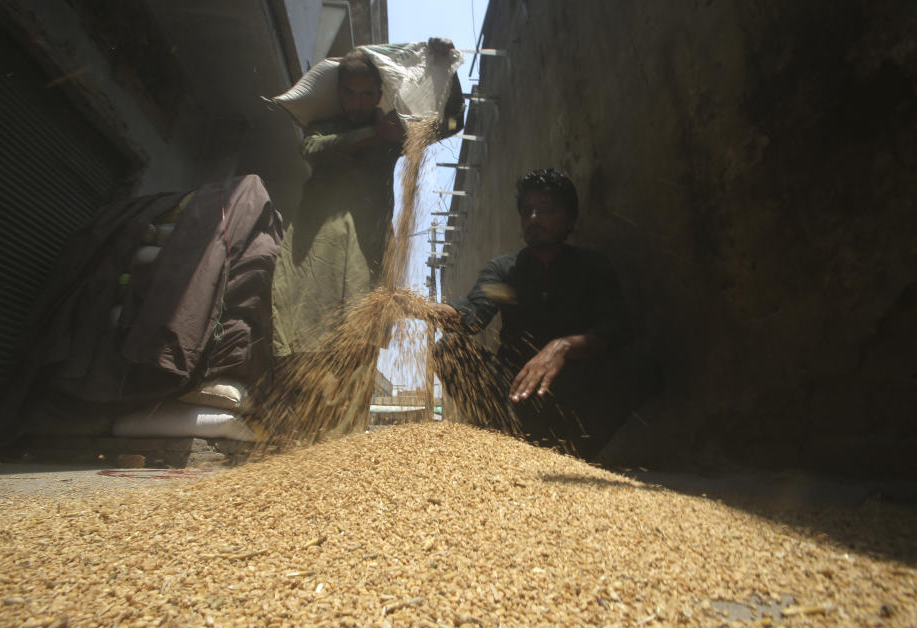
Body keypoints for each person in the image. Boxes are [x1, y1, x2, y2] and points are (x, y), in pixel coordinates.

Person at [268, 39, 464, 434]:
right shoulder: (326, 125)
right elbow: (314, 148)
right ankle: (297, 440)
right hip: (315, 245)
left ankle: (346, 443)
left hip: (367, 247)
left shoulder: (395, 129)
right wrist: (375, 133)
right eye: (349, 93)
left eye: (366, 94)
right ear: (339, 93)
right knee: (305, 334)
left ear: (380, 94)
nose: (357, 102)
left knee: (359, 342)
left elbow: (452, 124)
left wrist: (448, 72)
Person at [421, 168, 657, 459]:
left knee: (646, 358)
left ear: (570, 220)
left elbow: (618, 329)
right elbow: (471, 316)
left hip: (574, 393)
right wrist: (422, 308)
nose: (534, 218)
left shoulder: (592, 266)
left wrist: (563, 347)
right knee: (449, 349)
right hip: (514, 394)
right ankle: (507, 448)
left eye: (546, 210)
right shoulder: (503, 270)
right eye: (527, 211)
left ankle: (576, 455)